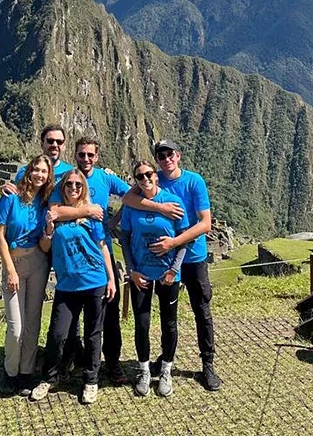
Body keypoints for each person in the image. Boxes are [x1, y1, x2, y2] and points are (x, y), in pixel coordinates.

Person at [122, 140, 222, 391]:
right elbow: (128, 199)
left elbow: (205, 223)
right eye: (161, 155)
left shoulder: (193, 181)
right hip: (160, 264)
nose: (166, 159)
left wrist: (174, 242)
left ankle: (207, 364)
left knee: (202, 310)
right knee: (166, 318)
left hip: (192, 257)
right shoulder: (154, 181)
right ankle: (163, 359)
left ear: (178, 156)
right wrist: (160, 207)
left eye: (170, 154)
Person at [47, 137, 131, 384]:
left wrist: (113, 223)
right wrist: (88, 211)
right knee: (70, 321)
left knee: (110, 316)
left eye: (90, 155)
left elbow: (132, 194)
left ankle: (113, 364)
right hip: (72, 259)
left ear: (97, 156)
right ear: (75, 155)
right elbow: (54, 211)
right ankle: (70, 361)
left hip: (100, 252)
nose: (86, 159)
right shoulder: (66, 177)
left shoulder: (105, 179)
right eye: (82, 154)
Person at [29, 169, 117, 405]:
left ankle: (90, 380)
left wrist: (111, 278)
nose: (74, 189)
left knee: (92, 335)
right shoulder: (55, 215)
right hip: (67, 285)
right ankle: (49, 377)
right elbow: (45, 247)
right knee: (57, 334)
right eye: (69, 184)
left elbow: (102, 247)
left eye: (78, 185)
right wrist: (48, 228)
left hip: (94, 281)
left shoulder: (93, 215)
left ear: (83, 189)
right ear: (64, 187)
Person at [120, 160, 189, 397]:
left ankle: (166, 369)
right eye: (140, 176)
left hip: (167, 274)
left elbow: (183, 239)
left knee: (169, 323)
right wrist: (132, 270)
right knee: (142, 324)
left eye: (149, 174)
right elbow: (125, 238)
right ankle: (144, 369)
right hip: (141, 274)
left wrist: (173, 270)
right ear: (136, 180)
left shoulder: (173, 202)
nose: (145, 179)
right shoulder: (131, 206)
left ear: (156, 176)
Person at [0, 154, 55, 396]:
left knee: (33, 322)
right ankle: (10, 371)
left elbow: (45, 244)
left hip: (38, 261)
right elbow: (0, 235)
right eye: (36, 170)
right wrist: (10, 269)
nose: (40, 174)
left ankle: (26, 372)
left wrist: (49, 232)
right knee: (15, 327)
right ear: (28, 172)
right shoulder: (10, 198)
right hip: (14, 261)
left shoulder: (45, 202)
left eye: (44, 171)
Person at [1, 124, 74, 196]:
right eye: (50, 141)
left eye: (59, 142)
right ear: (42, 144)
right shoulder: (25, 172)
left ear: (64, 147)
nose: (55, 145)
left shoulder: (71, 173)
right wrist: (6, 191)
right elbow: (16, 198)